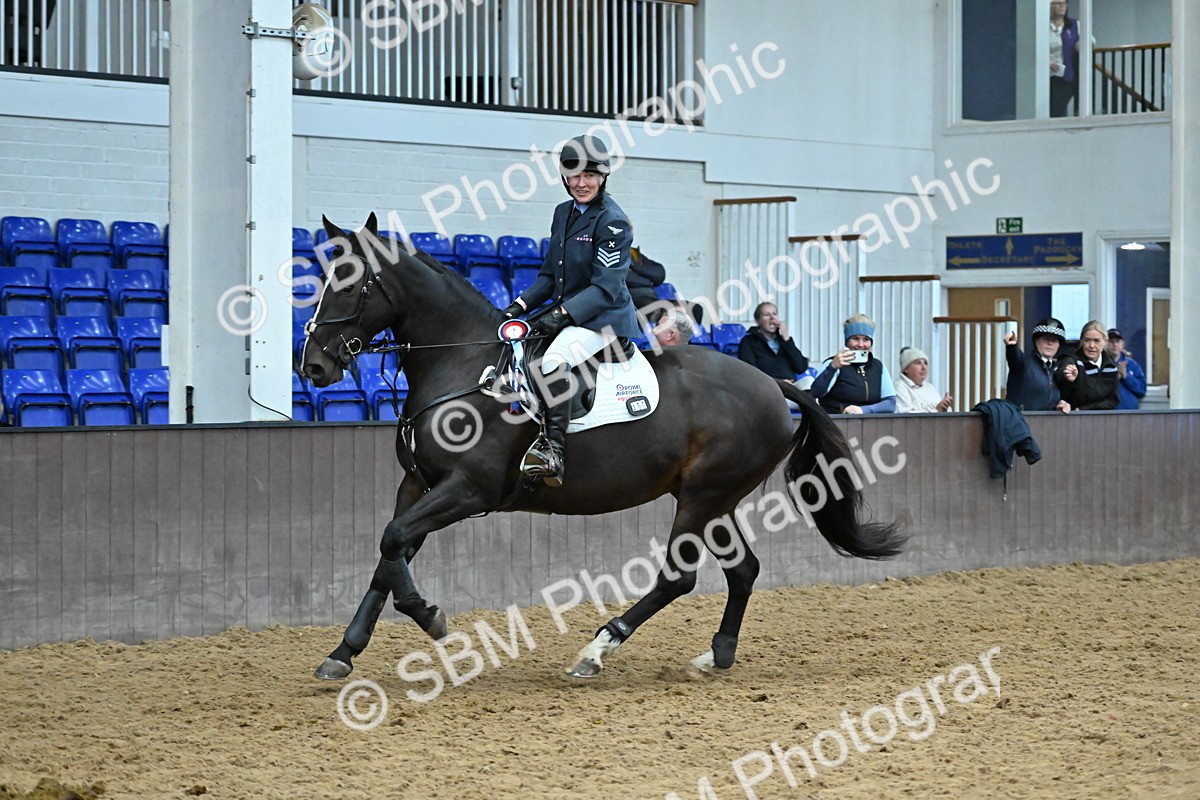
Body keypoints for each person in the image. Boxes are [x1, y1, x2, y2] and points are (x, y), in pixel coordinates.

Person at [502, 134, 640, 487]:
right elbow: (550, 275)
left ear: (603, 177)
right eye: (575, 176)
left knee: (552, 361)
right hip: (569, 312)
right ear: (564, 178)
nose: (582, 183)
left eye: (590, 176)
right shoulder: (563, 213)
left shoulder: (613, 221)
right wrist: (518, 307)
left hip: (603, 319)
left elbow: (606, 287)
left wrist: (560, 316)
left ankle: (554, 451)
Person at [811, 313, 897, 414]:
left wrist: (863, 410)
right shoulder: (833, 363)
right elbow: (816, 393)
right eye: (855, 339)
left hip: (872, 424)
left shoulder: (878, 367)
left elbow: (891, 404)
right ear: (847, 341)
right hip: (836, 423)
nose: (861, 345)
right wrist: (832, 367)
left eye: (866, 339)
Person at [1003, 318, 1072, 413]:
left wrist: (1061, 405)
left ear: (1059, 345)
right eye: (1046, 339)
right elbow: (1014, 357)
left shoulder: (1057, 369)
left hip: (1046, 424)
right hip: (1018, 423)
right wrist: (1012, 346)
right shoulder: (1023, 362)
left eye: (1054, 340)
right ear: (1036, 341)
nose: (1050, 343)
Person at [1056, 320, 1120, 410]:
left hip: (1101, 418)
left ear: (1106, 341)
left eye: (1097, 341)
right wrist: (1068, 376)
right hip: (1073, 418)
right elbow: (1062, 371)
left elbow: (1113, 400)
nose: (1092, 346)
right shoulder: (1072, 359)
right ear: (1081, 340)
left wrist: (1085, 409)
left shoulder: (1111, 365)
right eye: (1087, 340)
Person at [737, 302, 809, 381]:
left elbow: (801, 367)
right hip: (767, 387)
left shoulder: (784, 341)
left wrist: (787, 340)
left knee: (808, 381)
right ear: (758, 321)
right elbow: (751, 372)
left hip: (791, 385)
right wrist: (778, 382)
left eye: (774, 314)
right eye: (767, 315)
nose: (772, 317)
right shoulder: (748, 342)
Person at [895, 347, 952, 413]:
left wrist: (945, 407)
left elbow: (940, 410)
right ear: (906, 368)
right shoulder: (899, 387)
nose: (923, 367)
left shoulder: (929, 387)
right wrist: (936, 411)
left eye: (925, 363)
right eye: (918, 363)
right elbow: (906, 418)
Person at [1050, 1, 1081, 118]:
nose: (1062, 6)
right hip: (1044, 76)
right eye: (1057, 3)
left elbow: (1091, 40)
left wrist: (1080, 42)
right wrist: (1046, 61)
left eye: (1064, 3)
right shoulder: (1042, 25)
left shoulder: (1074, 25)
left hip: (1065, 75)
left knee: (1058, 108)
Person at [1106, 328, 1147, 410]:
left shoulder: (1133, 365)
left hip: (1130, 414)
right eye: (1111, 341)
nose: (1115, 345)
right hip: (1107, 414)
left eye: (1117, 341)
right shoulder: (1099, 364)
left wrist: (1126, 377)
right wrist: (1114, 379)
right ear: (1105, 344)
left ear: (1123, 344)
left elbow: (1142, 390)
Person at [625, 247, 667, 315]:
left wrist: (636, 267)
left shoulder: (629, 251)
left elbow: (660, 274)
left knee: (687, 307)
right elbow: (624, 278)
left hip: (651, 295)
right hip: (631, 297)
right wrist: (649, 281)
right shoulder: (607, 253)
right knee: (656, 310)